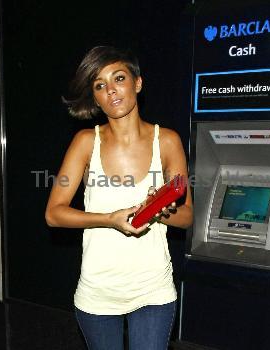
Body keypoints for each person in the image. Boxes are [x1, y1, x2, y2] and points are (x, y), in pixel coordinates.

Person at [45, 46, 193, 350]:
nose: (111, 90)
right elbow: (54, 213)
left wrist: (159, 210)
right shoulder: (85, 142)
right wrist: (110, 220)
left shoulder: (167, 141)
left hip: (153, 289)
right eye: (100, 85)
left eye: (119, 78)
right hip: (98, 291)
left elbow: (187, 215)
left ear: (137, 83)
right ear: (95, 97)